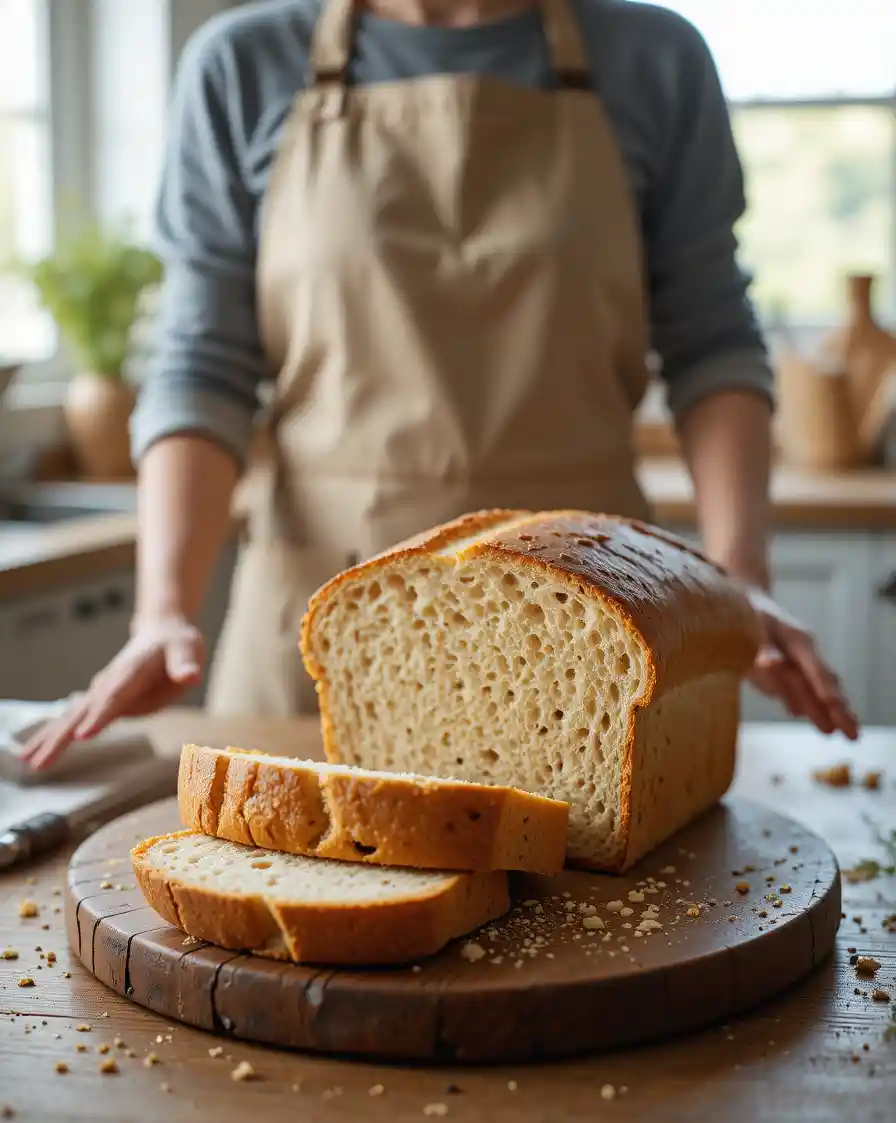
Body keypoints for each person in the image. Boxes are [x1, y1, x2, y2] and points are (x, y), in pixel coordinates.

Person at [24, 0, 858, 770]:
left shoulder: (655, 58)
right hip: (320, 627)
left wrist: (737, 577)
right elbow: (202, 365)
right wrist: (161, 610)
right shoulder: (243, 64)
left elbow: (711, 345)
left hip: (592, 624)